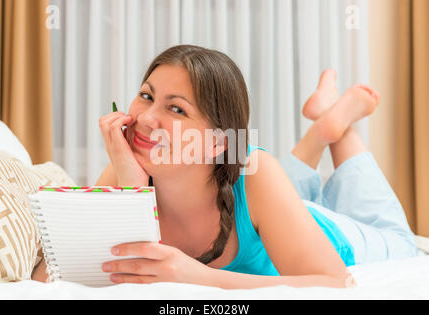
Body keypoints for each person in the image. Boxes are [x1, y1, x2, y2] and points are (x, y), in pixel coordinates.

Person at [32, 45, 417, 288]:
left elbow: (335, 283)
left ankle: (336, 127)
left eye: (176, 108)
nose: (147, 117)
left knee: (400, 240)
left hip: (326, 230)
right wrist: (131, 191)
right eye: (146, 95)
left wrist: (199, 277)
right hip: (267, 206)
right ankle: (321, 128)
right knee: (275, 185)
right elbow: (49, 278)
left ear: (219, 141)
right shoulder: (127, 165)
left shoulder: (255, 168)